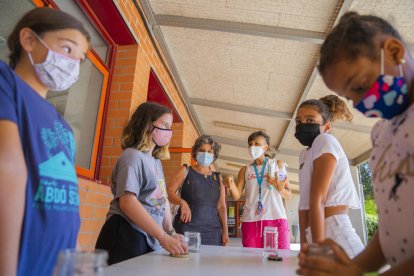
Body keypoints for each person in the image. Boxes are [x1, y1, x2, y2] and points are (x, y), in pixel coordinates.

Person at [298, 12, 414, 275]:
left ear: (394, 52)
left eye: (360, 85)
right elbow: (392, 225)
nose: (362, 104)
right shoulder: (382, 133)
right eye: (350, 97)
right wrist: (354, 266)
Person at [0, 7, 90, 276]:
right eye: (67, 48)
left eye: (80, 58)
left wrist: (75, 253)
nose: (74, 62)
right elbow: (8, 169)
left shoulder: (63, 125)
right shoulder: (7, 83)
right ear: (28, 40)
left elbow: (67, 193)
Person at [95, 102, 187, 265]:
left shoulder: (155, 161)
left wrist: (170, 231)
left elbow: (162, 200)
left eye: (170, 126)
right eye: (164, 125)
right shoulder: (132, 157)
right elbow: (127, 202)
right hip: (126, 232)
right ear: (147, 124)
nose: (169, 131)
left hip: (148, 235)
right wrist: (162, 236)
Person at [295, 95, 364, 258]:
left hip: (335, 232)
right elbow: (304, 206)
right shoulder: (304, 154)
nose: (302, 124)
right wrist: (305, 247)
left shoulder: (325, 140)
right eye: (298, 121)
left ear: (326, 127)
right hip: (315, 232)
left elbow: (318, 198)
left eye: (310, 120)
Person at [224, 131, 291, 249]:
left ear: (266, 147)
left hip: (276, 218)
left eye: (257, 143)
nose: (252, 146)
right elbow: (236, 196)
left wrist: (279, 189)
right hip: (251, 220)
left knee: (280, 260)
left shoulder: (277, 165)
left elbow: (289, 195)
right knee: (251, 262)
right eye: (250, 144)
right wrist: (230, 182)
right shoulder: (246, 169)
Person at [167, 135, 229, 246]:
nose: (205, 154)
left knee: (210, 263)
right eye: (202, 150)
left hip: (213, 233)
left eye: (209, 151)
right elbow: (169, 192)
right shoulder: (185, 170)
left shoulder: (218, 177)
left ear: (214, 155)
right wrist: (182, 202)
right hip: (187, 231)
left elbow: (221, 207)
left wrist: (225, 231)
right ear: (195, 152)